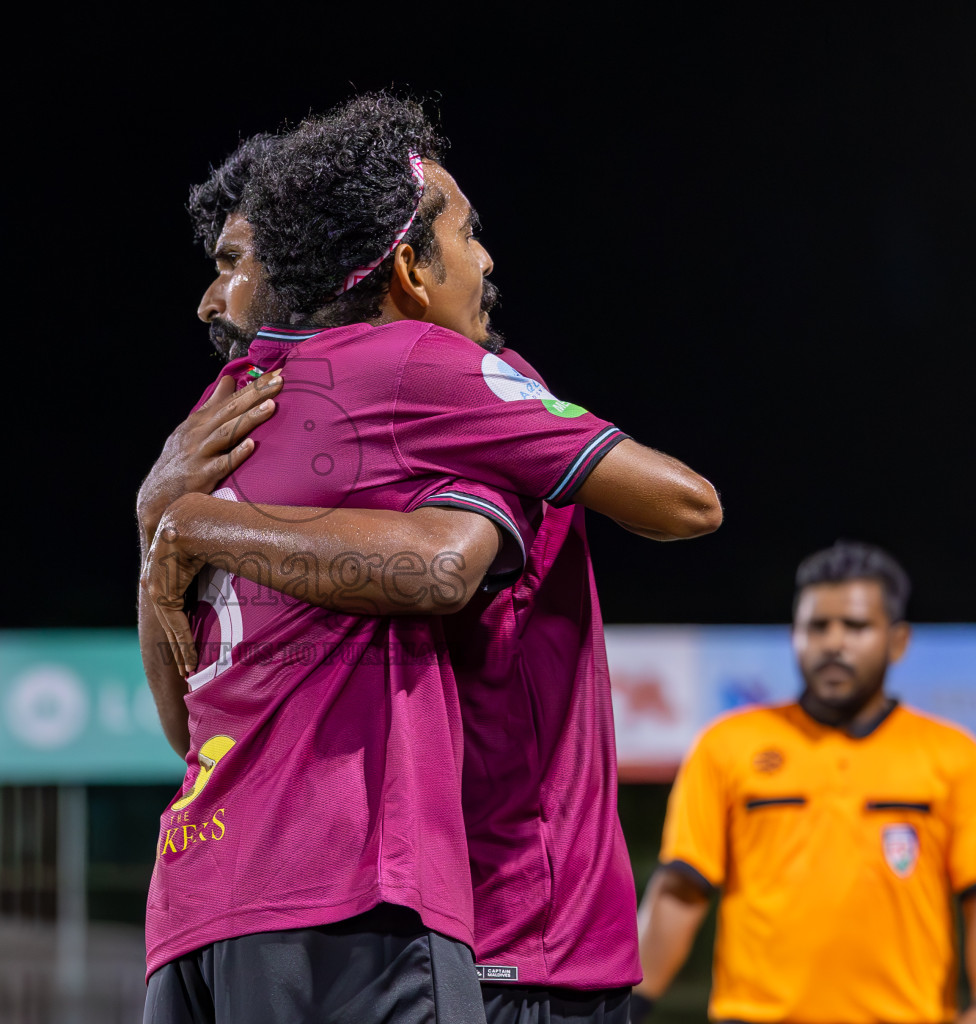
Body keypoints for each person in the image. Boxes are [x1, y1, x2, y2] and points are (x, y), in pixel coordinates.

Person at [138, 94, 721, 1024]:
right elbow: (670, 508)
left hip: (200, 900)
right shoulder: (430, 383)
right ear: (400, 265)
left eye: (235, 264)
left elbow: (181, 726)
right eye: (469, 232)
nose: (215, 299)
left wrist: (169, 526)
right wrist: (176, 529)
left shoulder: (214, 432)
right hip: (470, 927)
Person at [632, 541, 976, 1024]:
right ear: (794, 635)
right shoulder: (725, 744)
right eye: (817, 626)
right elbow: (682, 890)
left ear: (898, 640)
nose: (833, 642)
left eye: (855, 626)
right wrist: (629, 1006)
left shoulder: (953, 753)